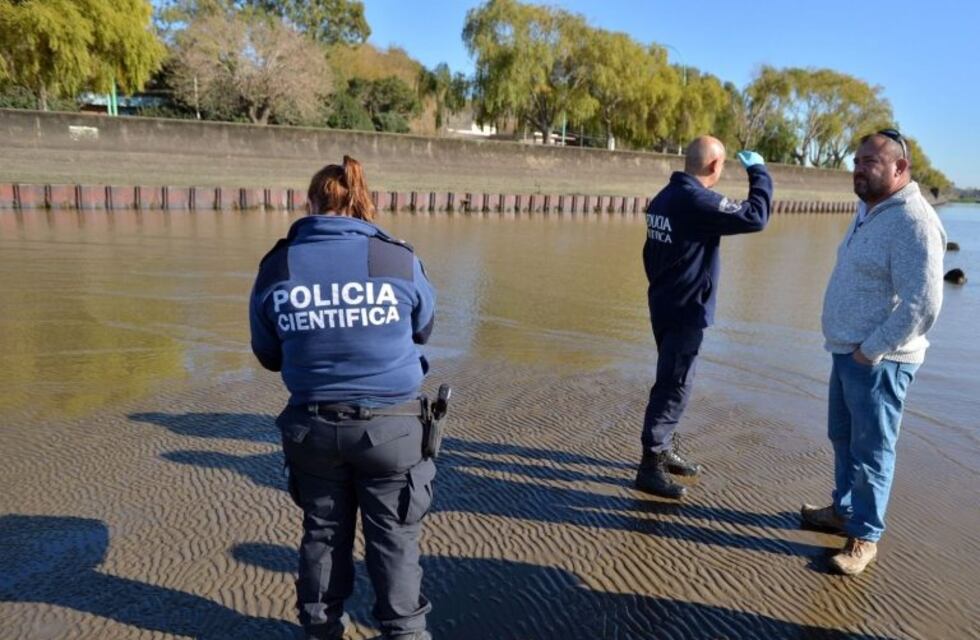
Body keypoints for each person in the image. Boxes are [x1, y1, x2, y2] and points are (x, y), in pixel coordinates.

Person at [249, 156, 437, 639]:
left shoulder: (279, 264)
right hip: (392, 431)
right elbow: (423, 329)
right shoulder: (396, 257)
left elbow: (267, 354)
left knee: (323, 534)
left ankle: (321, 631)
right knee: (394, 540)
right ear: (362, 202)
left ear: (310, 204)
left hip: (312, 430)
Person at [801, 129, 946, 576]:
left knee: (873, 452)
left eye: (870, 162)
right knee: (843, 438)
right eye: (857, 162)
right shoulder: (869, 209)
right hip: (848, 351)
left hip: (880, 361)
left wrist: (872, 350)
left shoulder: (914, 221)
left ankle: (865, 537)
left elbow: (924, 303)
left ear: (900, 168)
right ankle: (843, 510)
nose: (859, 170)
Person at [637, 136, 773, 499]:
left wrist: (665, 287)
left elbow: (649, 254)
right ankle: (650, 465)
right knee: (675, 384)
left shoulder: (664, 198)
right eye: (722, 165)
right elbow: (756, 217)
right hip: (684, 309)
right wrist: (759, 172)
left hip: (664, 303)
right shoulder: (696, 200)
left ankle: (662, 448)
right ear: (714, 166)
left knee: (672, 378)